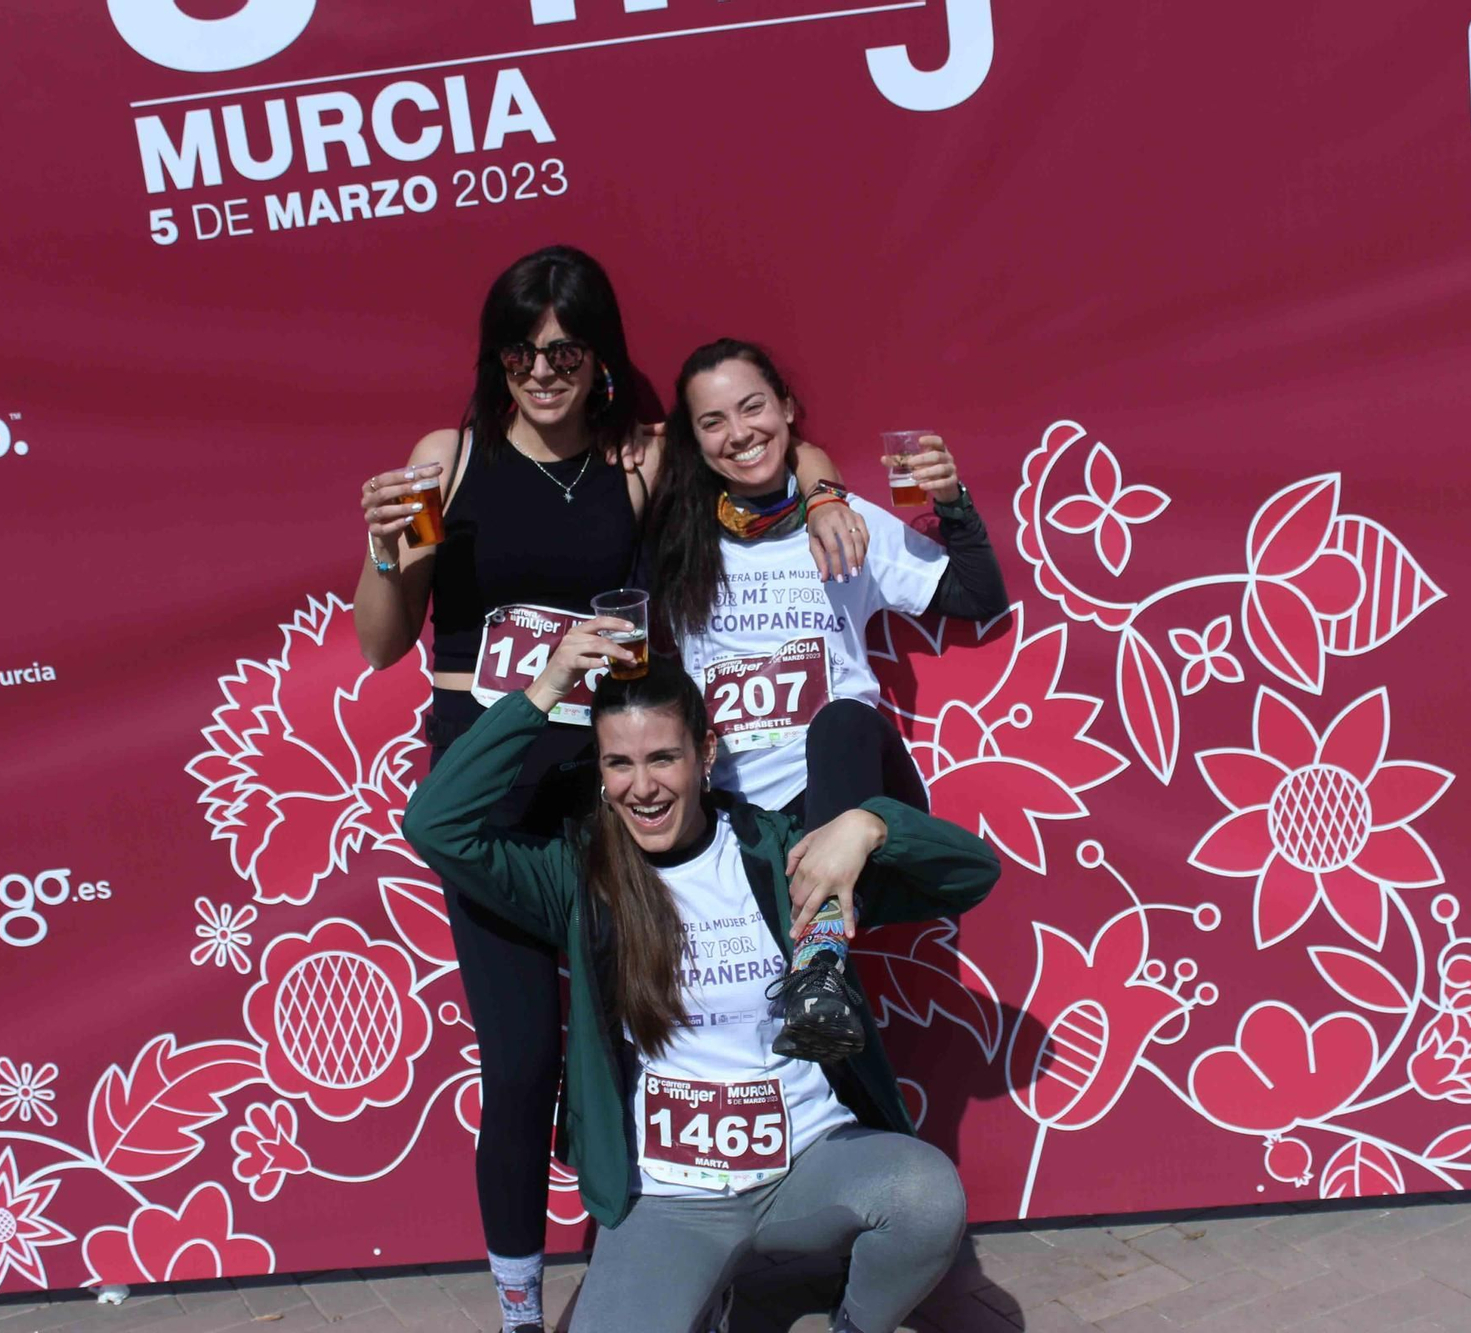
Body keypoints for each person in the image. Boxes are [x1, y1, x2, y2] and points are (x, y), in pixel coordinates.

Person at [351, 249, 868, 1333]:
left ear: (598, 361)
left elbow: (762, 437)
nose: (540, 372)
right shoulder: (445, 460)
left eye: (565, 351)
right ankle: (516, 1310)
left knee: (648, 1031)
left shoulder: (637, 461)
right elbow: (379, 643)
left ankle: (679, 1263)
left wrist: (820, 489)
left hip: (609, 785)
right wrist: (380, 553)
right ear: (495, 360)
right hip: (488, 775)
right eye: (519, 352)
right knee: (524, 1057)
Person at [402, 631, 999, 1333]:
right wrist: (548, 685)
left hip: (806, 1162)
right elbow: (434, 824)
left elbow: (970, 872)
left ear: (705, 754)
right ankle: (702, 1289)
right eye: (619, 762)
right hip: (670, 1198)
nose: (642, 785)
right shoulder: (579, 876)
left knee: (926, 1198)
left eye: (663, 757)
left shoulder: (779, 852)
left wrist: (867, 826)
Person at [646, 339, 1009, 1060]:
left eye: (753, 406)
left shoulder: (845, 521)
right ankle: (820, 996)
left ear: (787, 409)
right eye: (712, 421)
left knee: (842, 719)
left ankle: (818, 964)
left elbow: (976, 595)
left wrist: (950, 503)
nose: (739, 432)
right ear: (691, 440)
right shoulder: (673, 543)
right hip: (746, 822)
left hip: (849, 792)